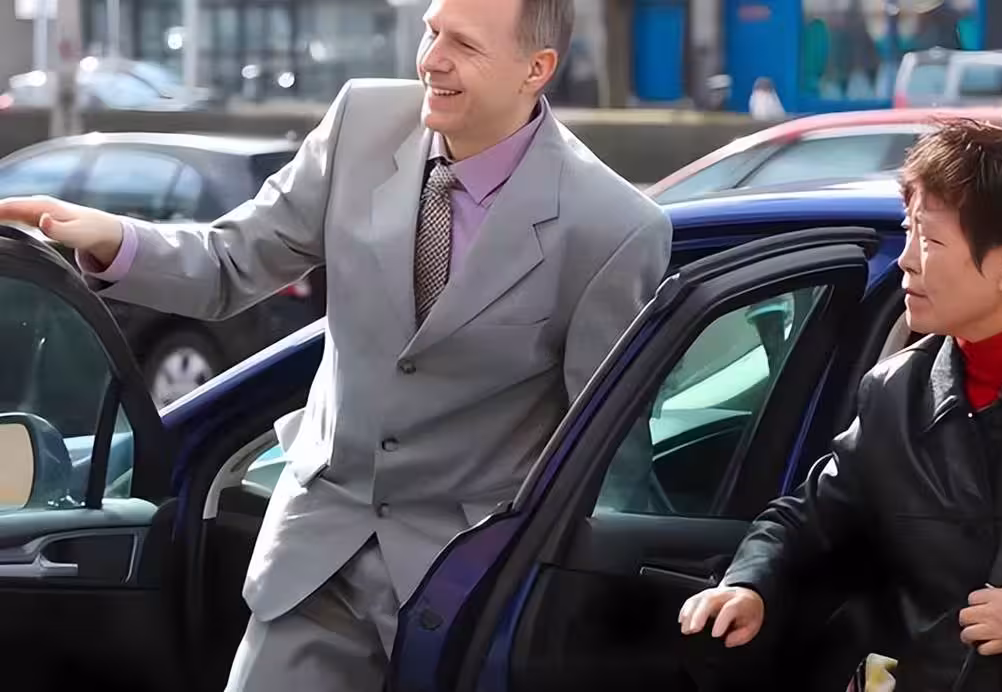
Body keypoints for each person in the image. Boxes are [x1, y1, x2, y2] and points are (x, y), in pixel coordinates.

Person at [0, 0, 672, 688]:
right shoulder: (361, 122)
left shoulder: (612, 226)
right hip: (316, 557)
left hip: (472, 588)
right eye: (431, 31)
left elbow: (609, 449)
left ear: (537, 68)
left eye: (464, 46)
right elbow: (233, 261)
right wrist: (116, 240)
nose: (432, 60)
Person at [678, 119, 1002, 690]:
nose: (906, 259)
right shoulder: (895, 392)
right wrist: (750, 584)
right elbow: (808, 518)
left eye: (929, 240)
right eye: (909, 232)